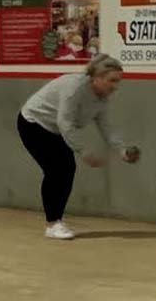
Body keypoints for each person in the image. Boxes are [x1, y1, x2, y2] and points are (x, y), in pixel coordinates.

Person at [17, 54, 140, 240]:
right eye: (112, 80)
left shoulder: (102, 98)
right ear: (97, 77)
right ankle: (53, 224)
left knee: (65, 168)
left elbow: (106, 126)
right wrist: (84, 151)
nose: (115, 86)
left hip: (56, 129)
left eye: (118, 81)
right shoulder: (74, 89)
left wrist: (122, 150)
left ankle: (55, 221)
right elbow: (65, 122)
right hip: (33, 123)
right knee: (58, 169)